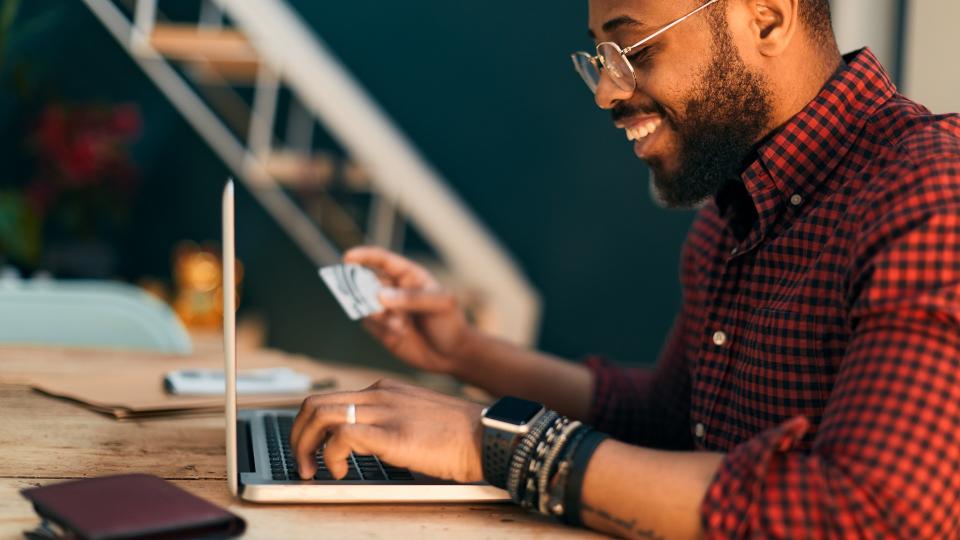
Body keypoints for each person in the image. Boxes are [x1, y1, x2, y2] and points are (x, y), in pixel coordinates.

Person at [290, 0, 960, 537]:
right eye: (601, 58)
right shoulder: (730, 214)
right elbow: (666, 421)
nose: (608, 93)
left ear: (767, 18)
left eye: (634, 50)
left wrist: (494, 442)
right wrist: (465, 351)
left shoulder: (931, 190)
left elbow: (874, 511)